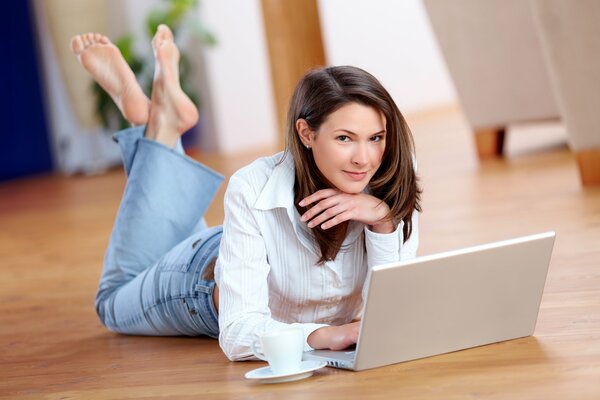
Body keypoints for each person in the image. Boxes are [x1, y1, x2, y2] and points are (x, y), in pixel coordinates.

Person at [71, 25, 422, 361]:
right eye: (344, 138)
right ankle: (156, 125)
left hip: (245, 251)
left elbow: (391, 308)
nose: (364, 159)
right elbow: (239, 334)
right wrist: (328, 335)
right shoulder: (253, 186)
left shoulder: (393, 177)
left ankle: (160, 125)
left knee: (169, 231)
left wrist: (384, 220)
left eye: (375, 137)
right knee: (112, 300)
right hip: (198, 279)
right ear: (306, 134)